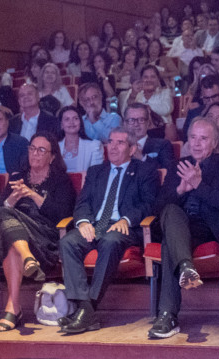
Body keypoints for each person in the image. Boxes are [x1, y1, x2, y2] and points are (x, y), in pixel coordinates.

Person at [148, 118, 219, 339]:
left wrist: (199, 185)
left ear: (215, 141)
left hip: (211, 228)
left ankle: (167, 315)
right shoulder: (176, 166)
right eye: (193, 137)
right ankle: (186, 268)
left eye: (204, 138)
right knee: (171, 212)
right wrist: (181, 189)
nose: (197, 143)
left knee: (169, 244)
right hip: (181, 226)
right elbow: (158, 207)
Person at [58, 127, 158, 334]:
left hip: (123, 227)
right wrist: (84, 222)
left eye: (120, 143)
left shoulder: (145, 171)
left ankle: (87, 310)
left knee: (111, 240)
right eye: (110, 141)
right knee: (67, 242)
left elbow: (150, 204)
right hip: (94, 225)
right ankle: (87, 311)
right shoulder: (96, 171)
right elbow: (82, 203)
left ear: (132, 149)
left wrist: (126, 219)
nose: (112, 146)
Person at [0, 132, 76, 332]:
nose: (35, 154)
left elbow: (62, 214)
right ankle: (25, 267)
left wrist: (33, 195)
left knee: (8, 231)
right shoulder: (18, 176)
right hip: (18, 234)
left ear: (52, 157)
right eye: (32, 148)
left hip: (44, 235)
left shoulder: (61, 181)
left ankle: (13, 310)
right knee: (5, 214)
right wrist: (13, 198)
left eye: (41, 150)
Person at [124, 103, 175, 169]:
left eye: (141, 120)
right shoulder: (118, 146)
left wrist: (142, 158)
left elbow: (168, 171)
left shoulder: (163, 145)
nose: (136, 124)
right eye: (131, 120)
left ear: (148, 123)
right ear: (125, 124)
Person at [58, 105, 104, 173]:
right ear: (61, 125)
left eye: (75, 118)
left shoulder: (94, 146)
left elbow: (95, 175)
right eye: (67, 119)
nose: (71, 122)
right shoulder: (54, 147)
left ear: (80, 122)